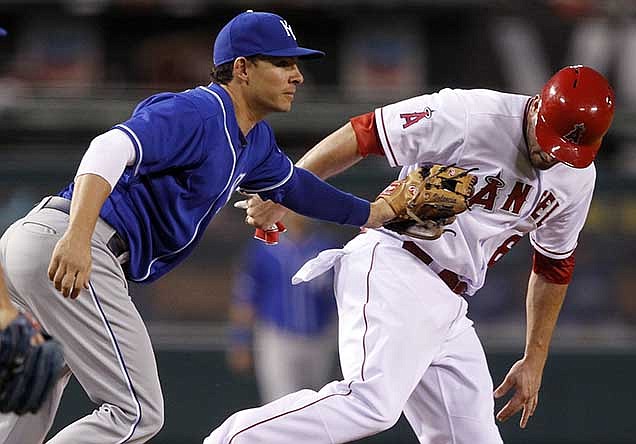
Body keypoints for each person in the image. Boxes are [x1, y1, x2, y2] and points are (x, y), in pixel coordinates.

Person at [0, 10, 395, 444]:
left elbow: (297, 187)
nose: (297, 75)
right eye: (282, 63)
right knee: (135, 412)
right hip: (74, 242)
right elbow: (107, 147)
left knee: (32, 392)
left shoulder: (253, 140)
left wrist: (374, 214)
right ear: (242, 69)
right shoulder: (198, 111)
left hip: (40, 243)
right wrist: (78, 236)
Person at [206, 65, 615, 443]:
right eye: (552, 141)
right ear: (538, 107)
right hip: (397, 261)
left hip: (451, 303)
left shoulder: (576, 179)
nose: (554, 155)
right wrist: (288, 190)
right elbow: (365, 133)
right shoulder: (471, 114)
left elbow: (554, 265)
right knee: (372, 403)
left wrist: (534, 358)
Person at [228, 212, 339, 403]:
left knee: (318, 403)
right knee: (280, 403)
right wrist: (240, 340)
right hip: (277, 335)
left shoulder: (327, 245)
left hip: (321, 335)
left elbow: (340, 298)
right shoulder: (263, 248)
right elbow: (245, 297)